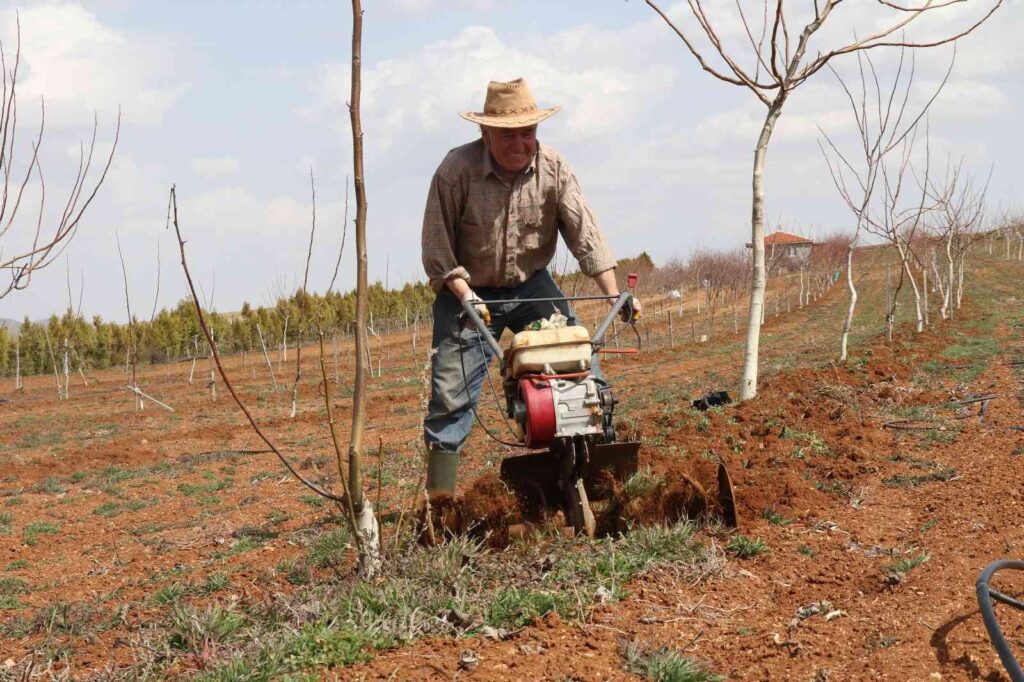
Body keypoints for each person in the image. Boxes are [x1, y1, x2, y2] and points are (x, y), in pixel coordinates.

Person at [420, 78, 641, 499]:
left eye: (528, 132)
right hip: (466, 291)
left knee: (581, 369)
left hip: (532, 287)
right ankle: (439, 503)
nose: (520, 142)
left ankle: (590, 472)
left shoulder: (554, 167)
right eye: (508, 134)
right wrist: (465, 294)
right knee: (450, 396)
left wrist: (614, 293)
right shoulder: (455, 171)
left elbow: (585, 234)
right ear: (485, 133)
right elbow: (437, 249)